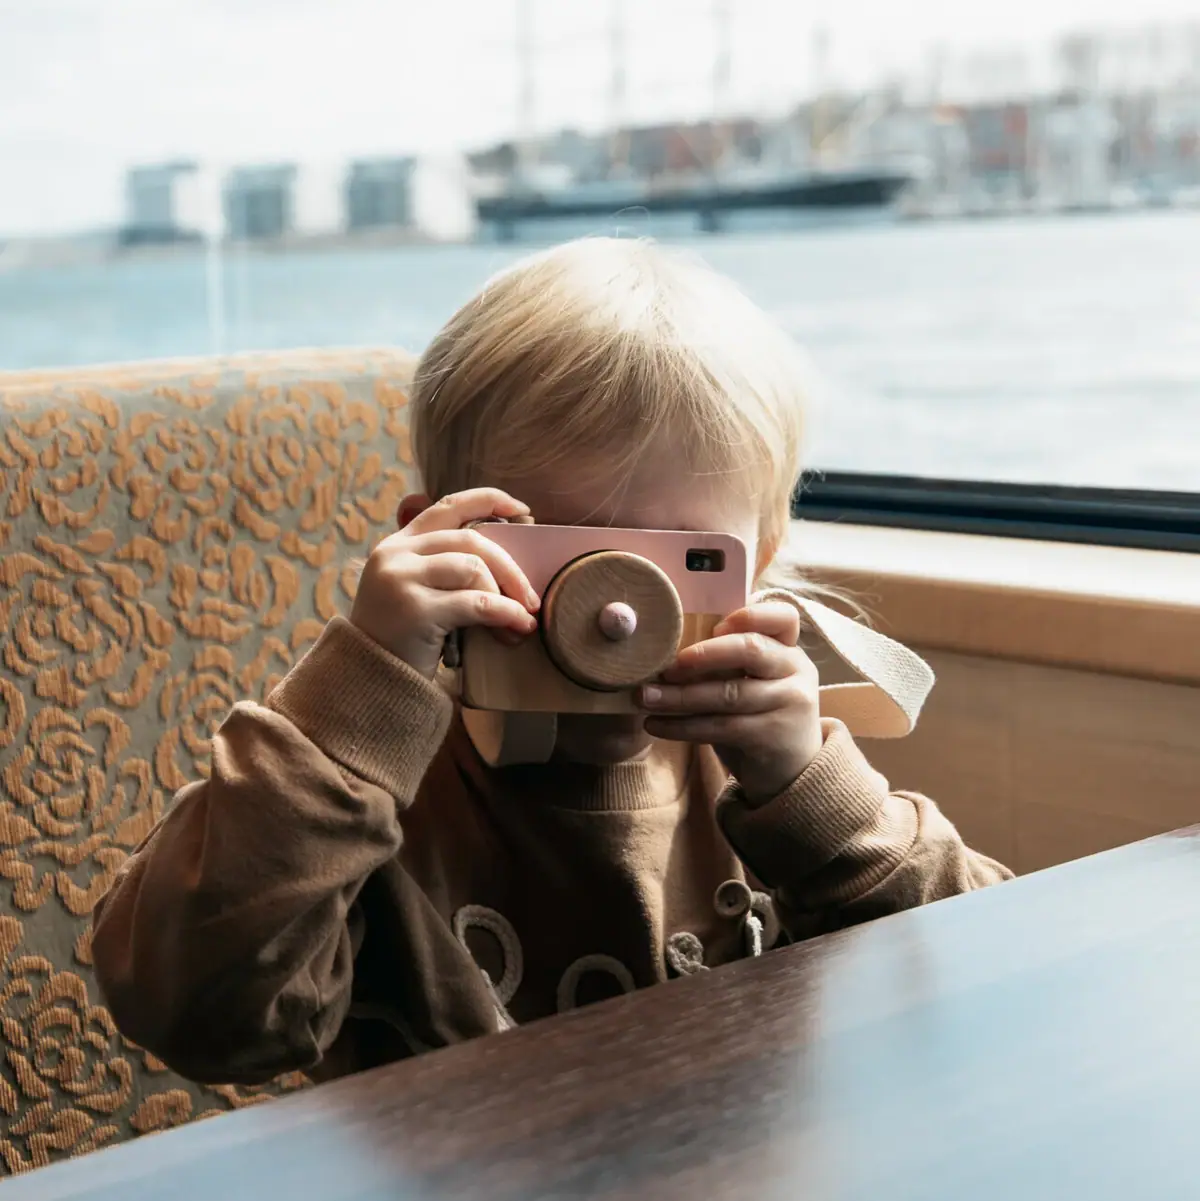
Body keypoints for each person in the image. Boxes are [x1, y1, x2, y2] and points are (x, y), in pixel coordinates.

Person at [91, 237, 1011, 1086]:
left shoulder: (765, 767)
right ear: (436, 537)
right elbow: (198, 1017)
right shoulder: (365, 790)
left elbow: (983, 980)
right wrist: (359, 693)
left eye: (676, 564)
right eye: (566, 557)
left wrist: (816, 795)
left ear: (758, 555)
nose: (615, 613)